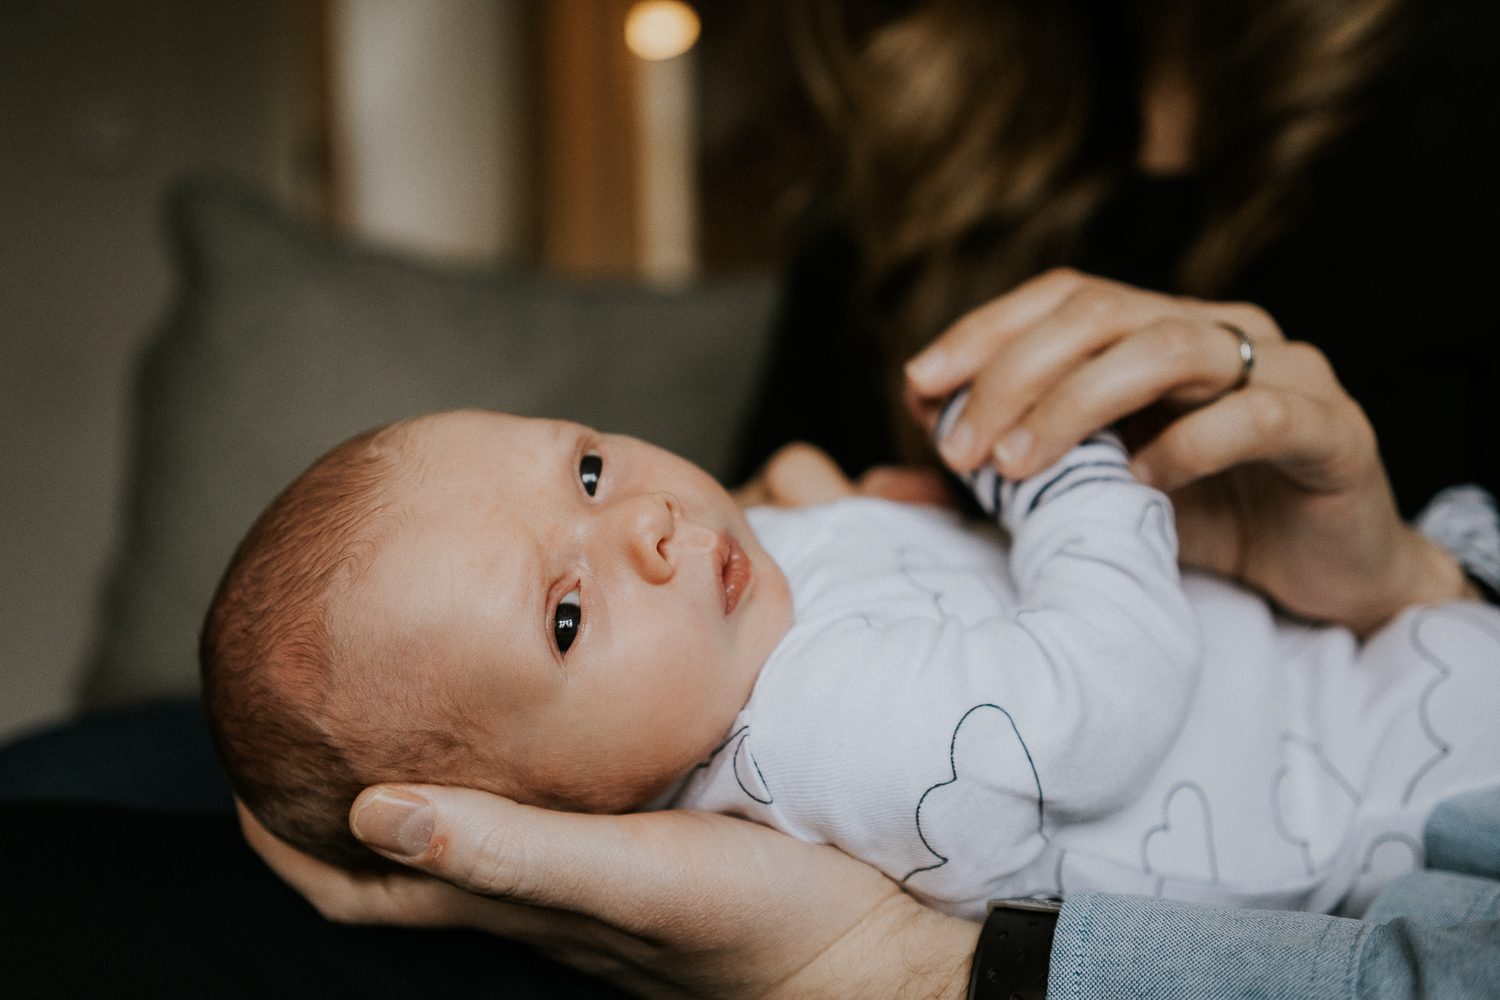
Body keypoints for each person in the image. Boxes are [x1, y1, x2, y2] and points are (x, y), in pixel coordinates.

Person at [250, 0, 1500, 996]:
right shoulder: (821, 735)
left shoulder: (721, 603)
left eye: (588, 467)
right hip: (1420, 791)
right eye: (565, 617)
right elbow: (1098, 694)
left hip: (1413, 663)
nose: (650, 521)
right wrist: (1063, 474)